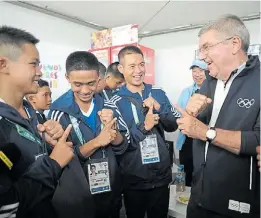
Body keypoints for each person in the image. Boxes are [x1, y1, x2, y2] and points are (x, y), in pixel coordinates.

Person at [175, 15, 260, 218]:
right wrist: (189, 113)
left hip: (236, 204)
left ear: (234, 44)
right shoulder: (210, 81)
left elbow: (258, 139)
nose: (202, 56)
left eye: (206, 47)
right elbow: (190, 126)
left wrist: (206, 133)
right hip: (199, 197)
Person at [0, 26, 74, 218]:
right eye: (34, 64)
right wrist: (54, 163)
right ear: (3, 65)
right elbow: (7, 207)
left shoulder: (31, 112)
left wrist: (49, 146)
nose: (40, 72)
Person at [49, 51, 130, 218]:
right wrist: (97, 142)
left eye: (91, 83)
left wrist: (114, 136)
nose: (85, 90)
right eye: (78, 84)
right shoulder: (58, 112)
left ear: (99, 79)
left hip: (110, 190)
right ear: (67, 78)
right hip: (79, 197)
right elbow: (62, 161)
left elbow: (124, 147)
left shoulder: (109, 105)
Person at [110, 45, 180, 218]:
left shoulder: (158, 93)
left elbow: (173, 125)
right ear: (121, 68)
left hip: (161, 176)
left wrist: (159, 108)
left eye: (141, 64)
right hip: (134, 179)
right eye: (132, 66)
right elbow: (121, 144)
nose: (138, 70)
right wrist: (145, 126)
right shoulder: (115, 102)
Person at [176, 59, 208, 186]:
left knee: (203, 171)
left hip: (205, 137)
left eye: (200, 71)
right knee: (186, 169)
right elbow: (178, 113)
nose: (197, 74)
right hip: (187, 138)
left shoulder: (213, 90)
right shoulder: (186, 91)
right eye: (194, 71)